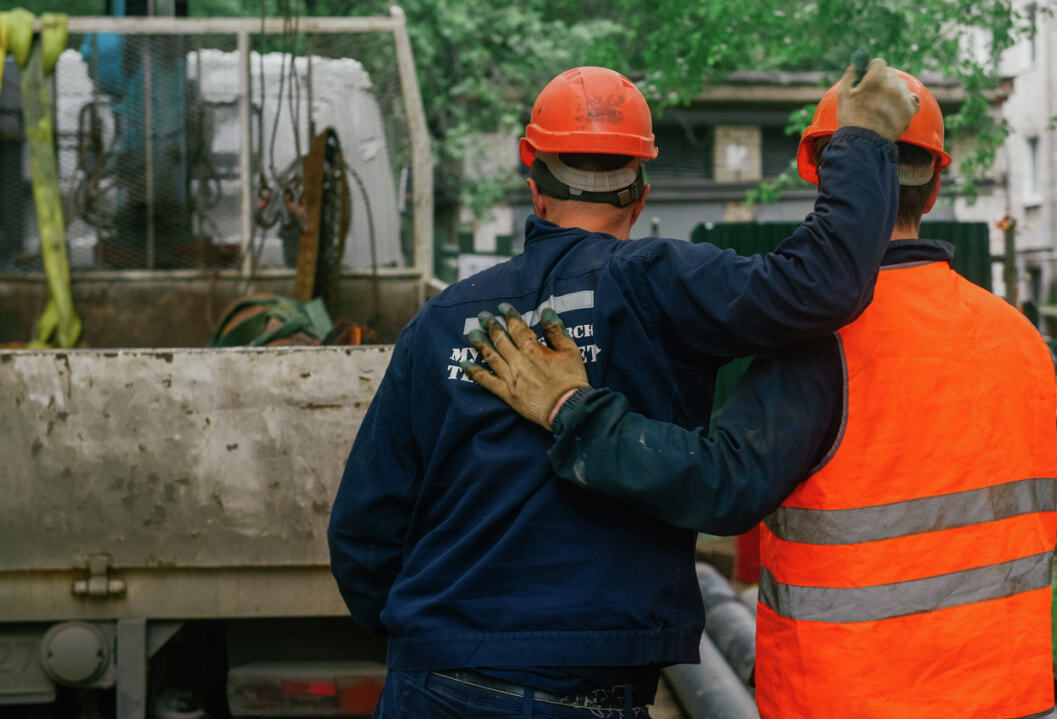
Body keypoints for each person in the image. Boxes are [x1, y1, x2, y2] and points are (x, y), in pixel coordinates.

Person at [327, 60, 920, 718]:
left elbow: (363, 530)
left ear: (533, 179)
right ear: (640, 192)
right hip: (584, 692)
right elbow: (822, 285)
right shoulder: (660, 284)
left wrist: (437, 635)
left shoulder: (442, 322)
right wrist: (862, 140)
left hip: (433, 684)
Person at [464, 71, 1057, 719]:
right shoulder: (1021, 339)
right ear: (937, 186)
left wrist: (569, 410)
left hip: (851, 698)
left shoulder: (826, 342)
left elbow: (720, 484)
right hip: (1007, 695)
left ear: (824, 177)